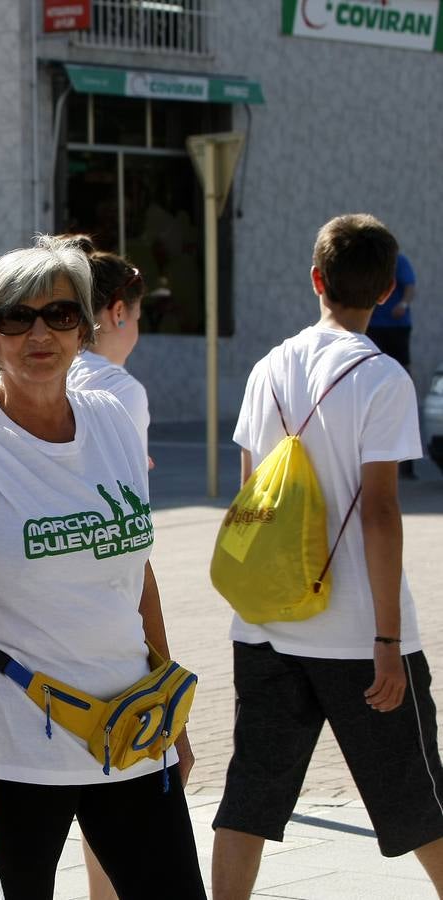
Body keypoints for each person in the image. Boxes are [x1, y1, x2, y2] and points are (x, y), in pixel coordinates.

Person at [0, 235, 204, 899]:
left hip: (133, 731)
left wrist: (173, 715)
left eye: (58, 314)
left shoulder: (113, 418)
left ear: (84, 327)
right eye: (15, 316)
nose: (39, 333)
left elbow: (136, 573)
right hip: (18, 751)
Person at [210, 215, 443, 898]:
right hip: (356, 634)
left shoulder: (271, 367)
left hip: (267, 625)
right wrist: (387, 640)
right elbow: (379, 510)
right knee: (418, 798)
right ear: (388, 294)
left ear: (317, 279)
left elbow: (257, 499)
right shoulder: (383, 379)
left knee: (250, 795)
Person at [365, 251, 419, 477]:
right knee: (371, 378)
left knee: (402, 378)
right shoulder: (368, 261)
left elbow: (409, 286)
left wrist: (403, 304)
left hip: (396, 327)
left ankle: (406, 466)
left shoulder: (398, 260)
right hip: (374, 327)